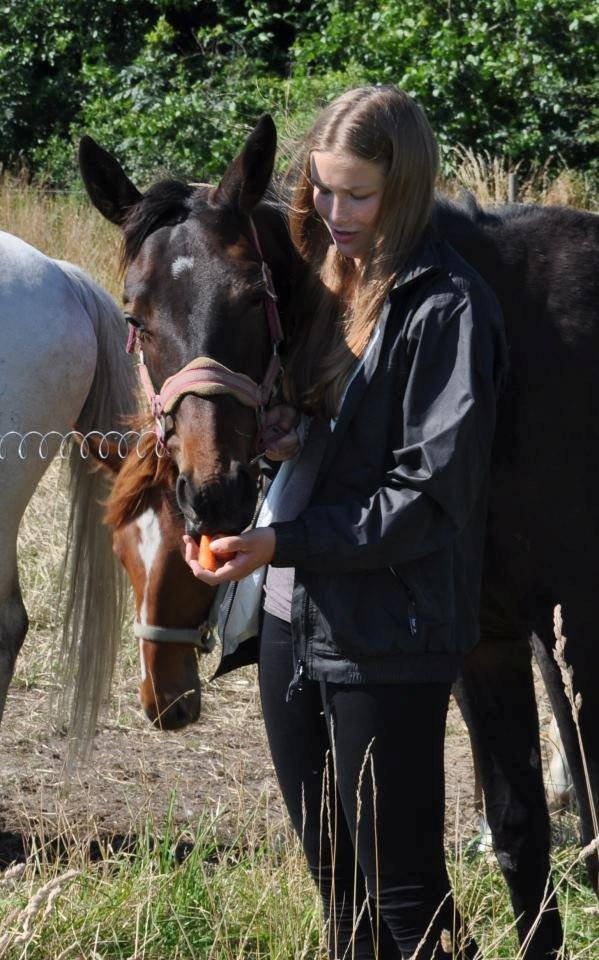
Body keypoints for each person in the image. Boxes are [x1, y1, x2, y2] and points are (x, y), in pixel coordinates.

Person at [184, 85, 507, 959]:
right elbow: (348, 435)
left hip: (389, 633)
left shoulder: (449, 307)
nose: (333, 212)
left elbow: (427, 499)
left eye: (357, 193)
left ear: (404, 187)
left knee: (407, 901)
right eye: (321, 189)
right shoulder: (330, 282)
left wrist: (282, 541)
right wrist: (293, 434)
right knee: (339, 890)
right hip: (294, 619)